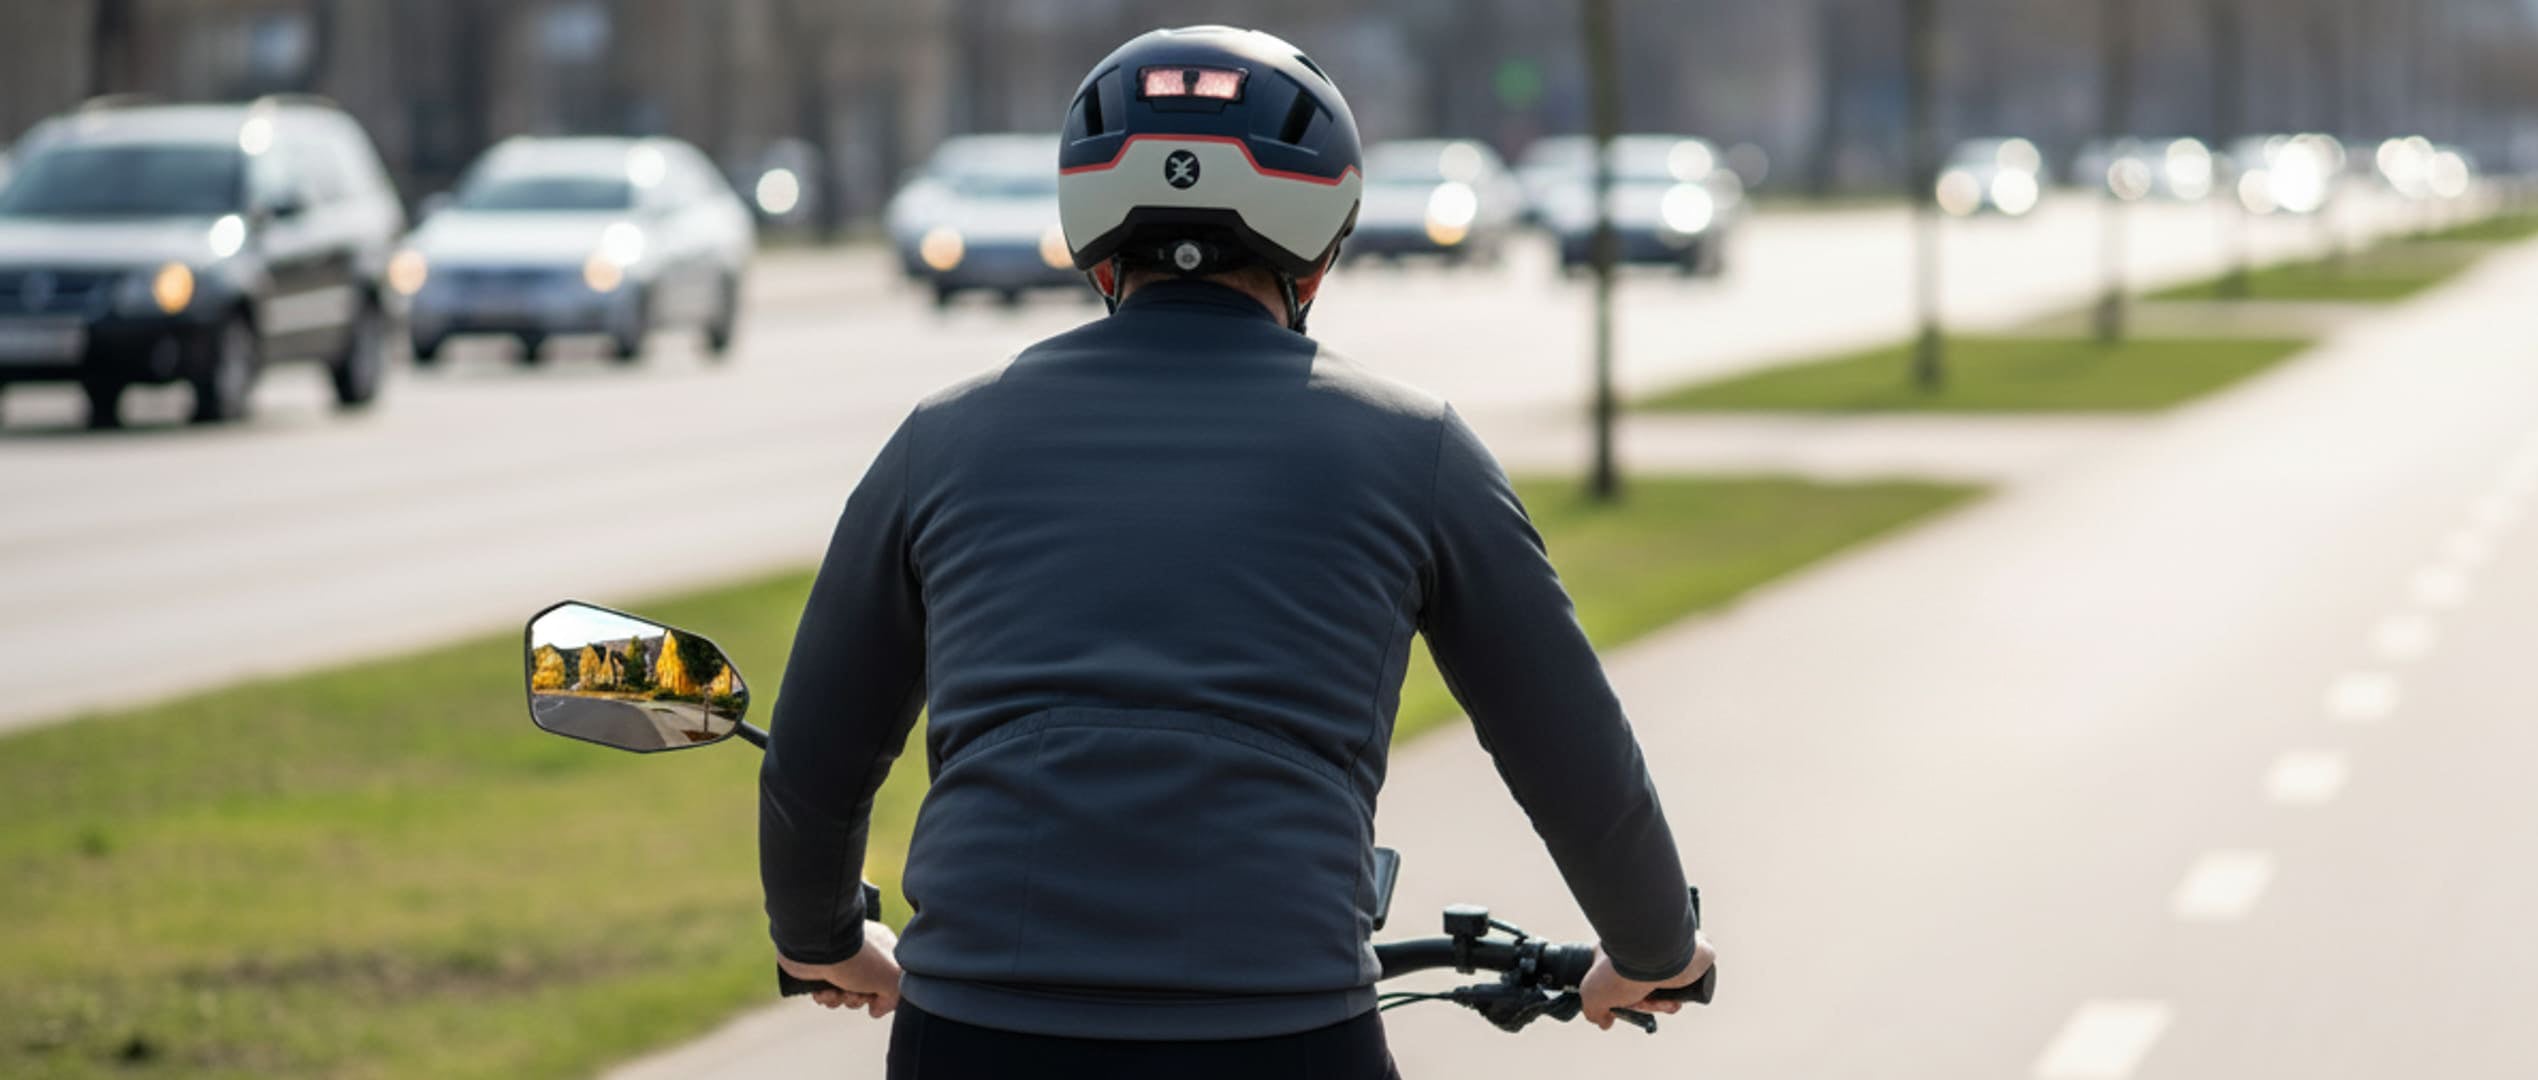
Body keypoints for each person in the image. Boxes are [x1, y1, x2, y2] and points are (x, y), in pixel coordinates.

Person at [758, 25, 1715, 1079]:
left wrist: (826, 941)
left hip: (980, 1030)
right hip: (1283, 1027)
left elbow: (815, 763)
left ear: (1091, 222)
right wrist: (1650, 950)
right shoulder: (1415, 449)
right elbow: (1570, 747)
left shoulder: (940, 441)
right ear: (1323, 231)